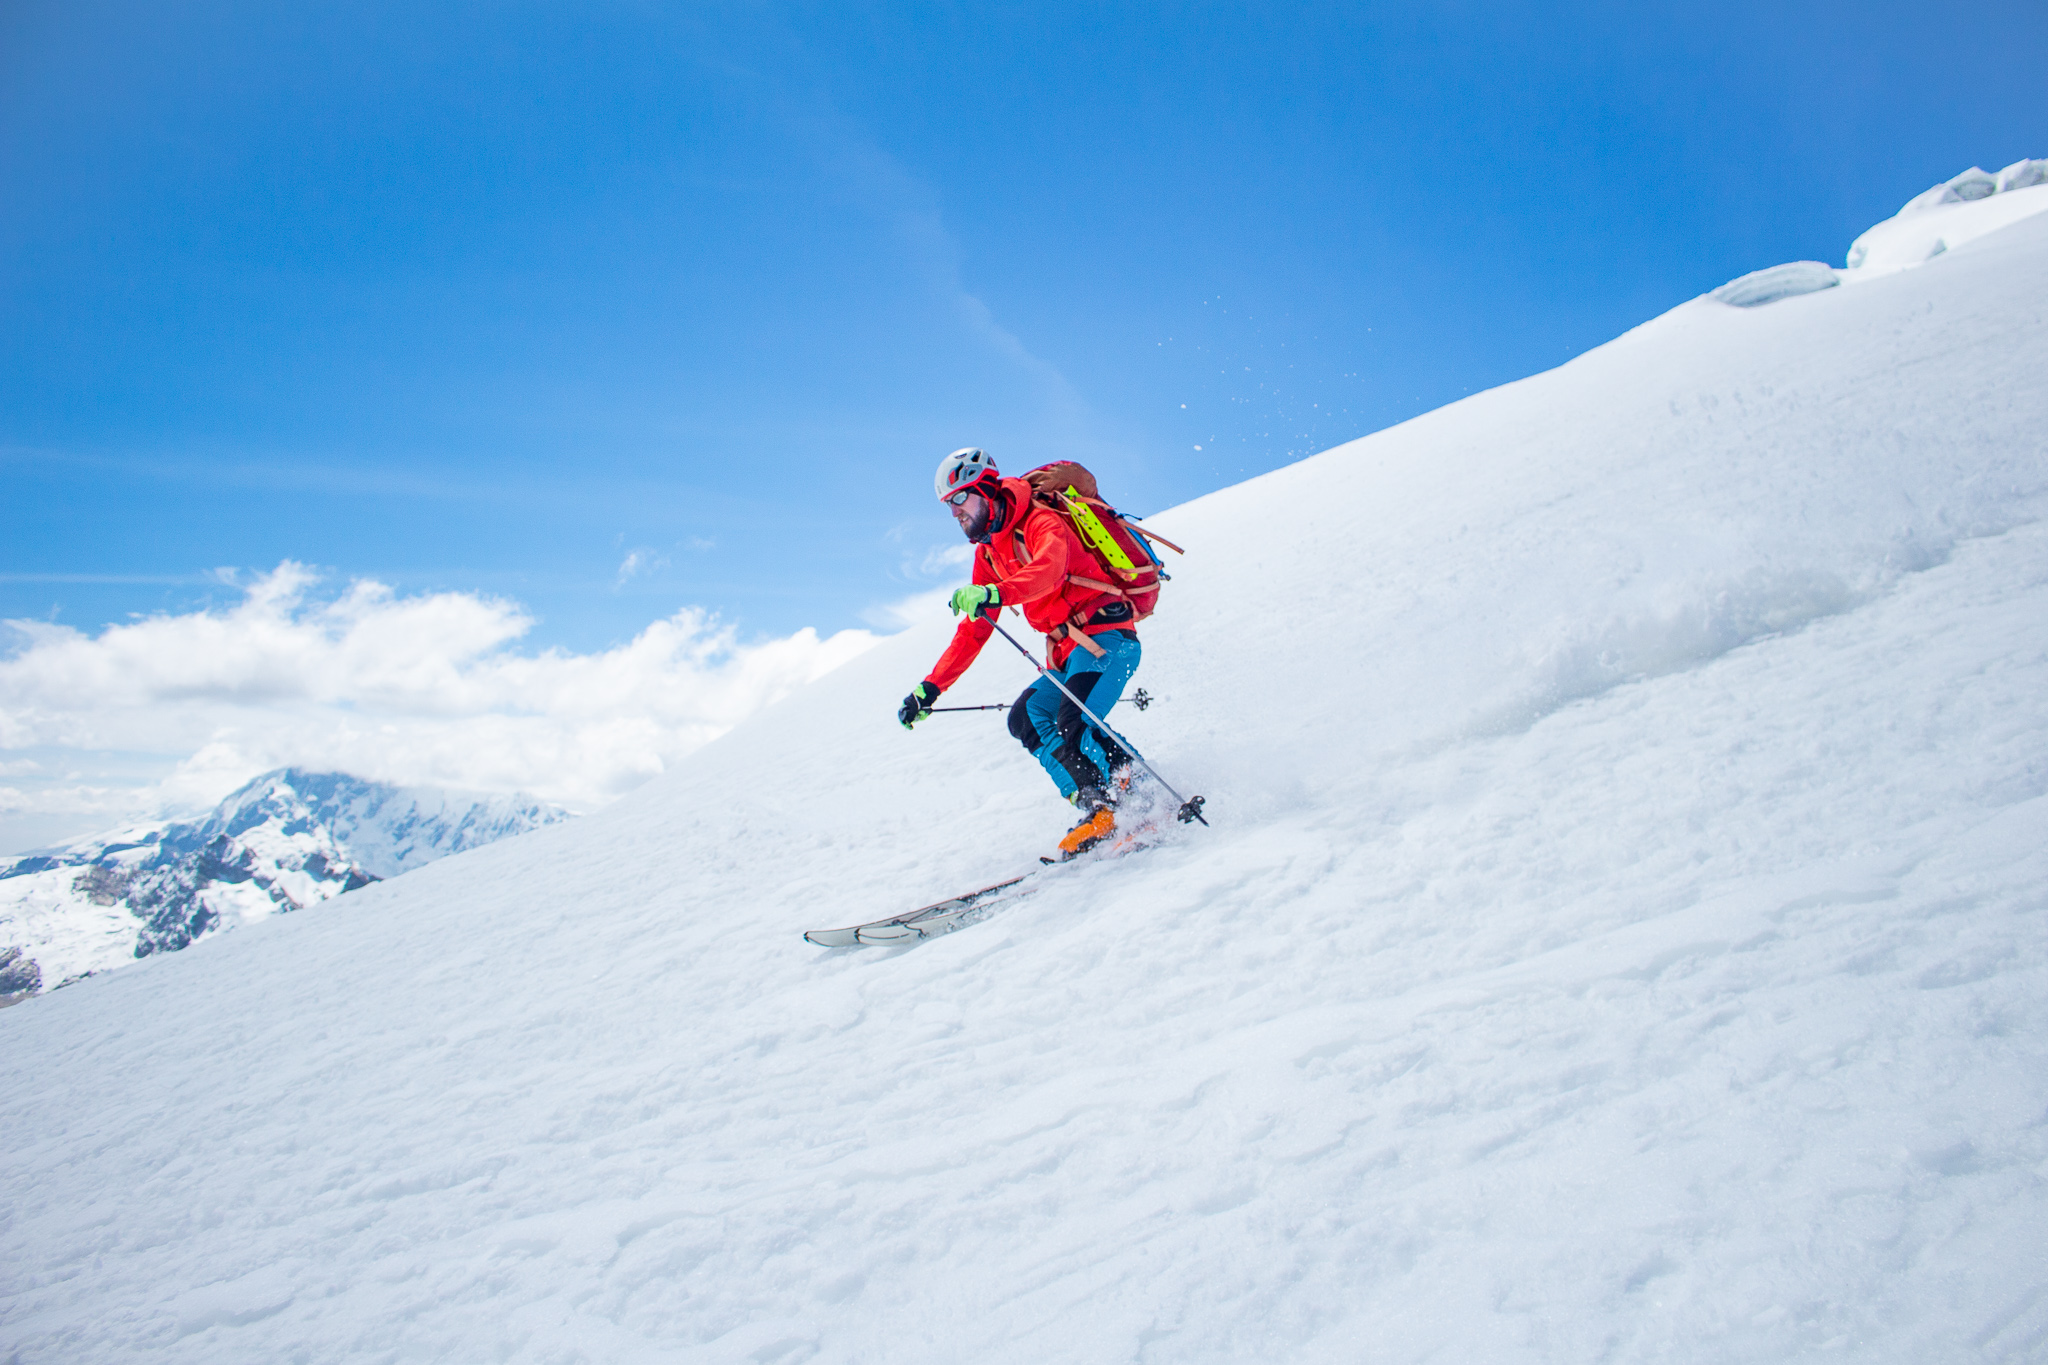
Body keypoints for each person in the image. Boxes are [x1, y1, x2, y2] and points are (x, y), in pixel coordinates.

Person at [898, 447, 1143, 857]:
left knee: (1074, 720)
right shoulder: (989, 553)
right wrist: (930, 689)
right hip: (1069, 653)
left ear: (985, 489)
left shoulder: (1039, 520)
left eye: (959, 498)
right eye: (948, 505)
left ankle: (1142, 797)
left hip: (1108, 639)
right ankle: (1098, 807)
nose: (954, 512)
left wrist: (995, 591)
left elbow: (1048, 568)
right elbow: (974, 630)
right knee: (1027, 716)